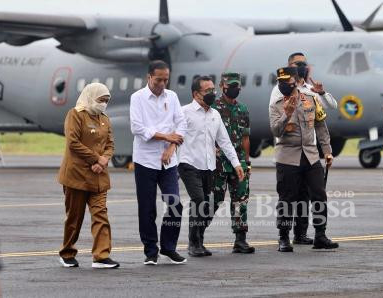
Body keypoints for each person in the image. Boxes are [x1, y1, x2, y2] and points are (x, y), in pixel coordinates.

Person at [270, 52, 338, 245]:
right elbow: (275, 130)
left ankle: (320, 235)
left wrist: (327, 151)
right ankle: (284, 237)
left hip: (310, 156)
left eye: (288, 80)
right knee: (287, 199)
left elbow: (320, 125)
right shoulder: (276, 103)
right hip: (287, 158)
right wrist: (287, 114)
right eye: (281, 81)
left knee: (319, 195)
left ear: (295, 80)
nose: (285, 84)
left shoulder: (311, 97)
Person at [178, 76, 245, 257]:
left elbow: (224, 142)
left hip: (208, 166)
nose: (212, 93)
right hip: (188, 164)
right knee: (198, 201)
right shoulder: (184, 112)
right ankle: (193, 244)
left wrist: (236, 164)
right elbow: (174, 136)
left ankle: (199, 240)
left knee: (207, 205)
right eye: (207, 91)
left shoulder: (215, 114)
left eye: (212, 90)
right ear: (196, 94)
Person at [130, 60, 187, 265]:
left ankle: (169, 247)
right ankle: (150, 250)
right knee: (147, 208)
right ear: (149, 78)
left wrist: (172, 146)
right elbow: (138, 128)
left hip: (169, 161)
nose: (162, 83)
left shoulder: (172, 97)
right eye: (158, 80)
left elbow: (181, 123)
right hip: (145, 160)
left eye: (166, 79)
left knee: (174, 203)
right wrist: (166, 137)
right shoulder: (137, 98)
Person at [58, 83, 119, 269]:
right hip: (76, 175)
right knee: (74, 218)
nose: (104, 104)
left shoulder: (104, 119)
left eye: (107, 101)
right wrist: (96, 159)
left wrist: (104, 160)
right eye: (101, 100)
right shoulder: (75, 115)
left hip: (99, 177)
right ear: (91, 97)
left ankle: (101, 256)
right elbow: (73, 143)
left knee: (101, 215)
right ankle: (67, 252)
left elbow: (110, 144)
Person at [208, 72, 255, 254]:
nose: (234, 89)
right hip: (218, 162)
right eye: (231, 86)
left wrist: (247, 162)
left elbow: (245, 137)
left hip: (238, 162)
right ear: (222, 86)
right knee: (214, 200)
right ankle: (197, 236)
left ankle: (240, 239)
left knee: (241, 200)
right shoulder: (213, 107)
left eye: (237, 86)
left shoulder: (243, 109)